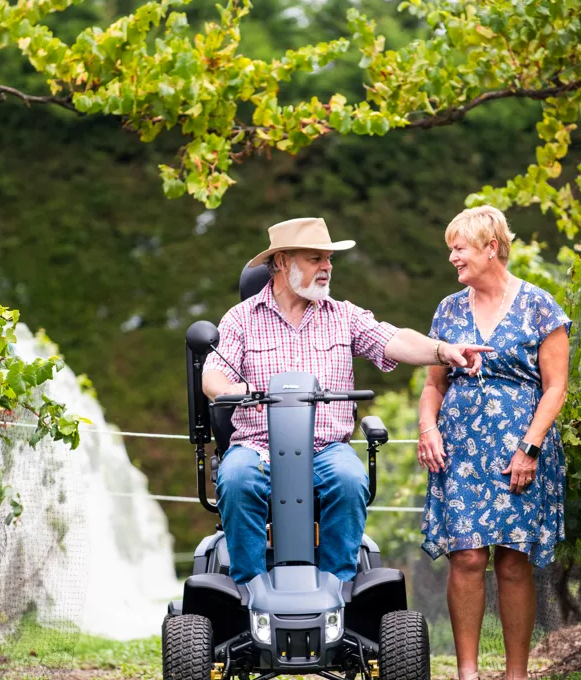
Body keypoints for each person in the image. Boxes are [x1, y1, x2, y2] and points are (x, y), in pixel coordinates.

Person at [202, 217, 491, 586]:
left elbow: (394, 339)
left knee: (351, 479)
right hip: (257, 448)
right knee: (236, 478)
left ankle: (336, 590)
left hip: (325, 450)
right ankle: (250, 589)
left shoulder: (343, 316)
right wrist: (235, 391)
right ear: (282, 262)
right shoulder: (240, 319)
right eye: (314, 258)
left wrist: (442, 350)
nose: (326, 267)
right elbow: (212, 375)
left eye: (328, 258)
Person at [417, 206, 570, 680]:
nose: (452, 255)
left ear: (491, 248)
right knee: (466, 557)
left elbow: (555, 388)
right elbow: (433, 386)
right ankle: (467, 677)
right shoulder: (447, 310)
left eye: (460, 246)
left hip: (518, 448)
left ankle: (517, 678)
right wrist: (426, 428)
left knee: (512, 561)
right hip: (460, 449)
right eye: (451, 246)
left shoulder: (540, 307)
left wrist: (530, 446)